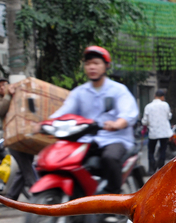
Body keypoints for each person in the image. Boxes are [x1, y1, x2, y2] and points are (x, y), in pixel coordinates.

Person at [49, 46, 139, 194]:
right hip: (87, 140)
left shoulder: (118, 90)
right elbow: (64, 111)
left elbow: (128, 114)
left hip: (114, 139)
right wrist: (46, 124)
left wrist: (117, 124)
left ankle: (113, 200)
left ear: (106, 66)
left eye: (96, 63)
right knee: (65, 158)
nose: (92, 67)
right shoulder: (79, 92)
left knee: (109, 158)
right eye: (88, 63)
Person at [0, 77, 38, 199]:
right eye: (0, 86)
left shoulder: (17, 96)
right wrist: (8, 95)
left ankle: (11, 197)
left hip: (26, 136)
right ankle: (39, 195)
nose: (3, 87)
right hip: (13, 139)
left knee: (23, 169)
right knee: (27, 170)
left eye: (4, 84)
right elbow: (2, 110)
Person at [142, 88, 172, 172]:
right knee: (163, 150)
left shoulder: (148, 106)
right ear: (162, 97)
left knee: (151, 150)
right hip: (164, 132)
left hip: (153, 132)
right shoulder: (165, 105)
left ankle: (152, 168)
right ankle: (161, 167)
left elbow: (145, 121)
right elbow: (169, 116)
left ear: (155, 96)